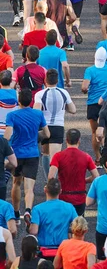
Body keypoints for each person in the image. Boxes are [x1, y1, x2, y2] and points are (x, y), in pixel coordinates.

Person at [5, 89, 50, 226]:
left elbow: (7, 136)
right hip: (32, 154)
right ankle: (28, 210)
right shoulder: (38, 114)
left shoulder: (11, 115)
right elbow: (47, 134)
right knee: (29, 188)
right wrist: (36, 137)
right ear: (31, 100)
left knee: (16, 183)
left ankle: (17, 213)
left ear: (19, 100)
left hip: (17, 155)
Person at [33, 69, 76, 177]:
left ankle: (49, 181)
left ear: (45, 80)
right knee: (55, 157)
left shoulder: (40, 94)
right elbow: (73, 110)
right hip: (58, 126)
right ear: (57, 81)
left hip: (44, 127)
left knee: (46, 154)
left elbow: (36, 113)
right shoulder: (64, 92)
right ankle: (53, 182)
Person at [49, 128, 99, 216]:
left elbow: (51, 177)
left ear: (66, 140)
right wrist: (85, 180)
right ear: (79, 140)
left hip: (63, 197)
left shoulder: (58, 156)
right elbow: (96, 176)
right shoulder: (86, 157)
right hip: (80, 198)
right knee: (78, 226)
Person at [81, 48, 107, 166]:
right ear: (106, 59)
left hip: (93, 104)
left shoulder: (90, 70)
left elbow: (84, 87)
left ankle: (98, 157)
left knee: (94, 132)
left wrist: (86, 90)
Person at [29, 178, 77, 261]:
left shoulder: (38, 209)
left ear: (45, 190)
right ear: (60, 191)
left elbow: (33, 231)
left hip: (44, 252)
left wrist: (29, 225)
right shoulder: (69, 207)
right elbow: (79, 226)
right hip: (63, 250)